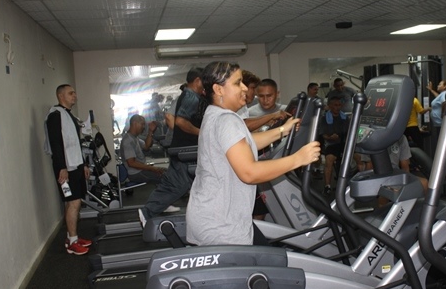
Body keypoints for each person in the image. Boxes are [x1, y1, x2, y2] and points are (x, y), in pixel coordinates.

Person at [185, 61, 320, 246]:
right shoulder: (227, 120)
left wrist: (282, 131)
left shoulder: (214, 114)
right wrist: (298, 159)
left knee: (268, 256)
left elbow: (245, 144)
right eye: (237, 83)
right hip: (222, 227)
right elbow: (249, 173)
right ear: (218, 89)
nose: (244, 88)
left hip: (213, 218)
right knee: (266, 261)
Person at [138, 68, 205, 223]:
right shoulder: (191, 97)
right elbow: (180, 121)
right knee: (179, 184)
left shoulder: (189, 96)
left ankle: (152, 209)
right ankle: (148, 212)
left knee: (177, 183)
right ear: (197, 81)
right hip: (185, 149)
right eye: (204, 81)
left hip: (184, 148)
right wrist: (202, 132)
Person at [44, 84, 92, 255]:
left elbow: (76, 143)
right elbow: (56, 144)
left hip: (75, 165)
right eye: (71, 93)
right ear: (60, 96)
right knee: (73, 203)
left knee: (74, 202)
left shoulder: (68, 115)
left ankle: (71, 237)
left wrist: (84, 164)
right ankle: (73, 242)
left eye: (74, 93)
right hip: (65, 168)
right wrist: (61, 168)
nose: (75, 96)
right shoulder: (55, 116)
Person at [120, 114, 166, 184]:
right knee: (166, 177)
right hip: (136, 173)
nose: (144, 127)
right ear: (135, 123)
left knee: (166, 172)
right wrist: (152, 168)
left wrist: (150, 131)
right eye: (142, 124)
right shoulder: (128, 140)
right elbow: (131, 163)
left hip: (141, 170)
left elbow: (146, 146)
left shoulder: (135, 138)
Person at [319, 95, 350, 195]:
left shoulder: (345, 118)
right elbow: (323, 135)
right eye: (335, 105)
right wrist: (330, 137)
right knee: (329, 160)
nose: (337, 107)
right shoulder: (324, 118)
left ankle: (351, 184)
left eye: (339, 105)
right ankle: (327, 186)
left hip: (344, 143)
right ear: (330, 106)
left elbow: (348, 132)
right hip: (331, 144)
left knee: (358, 157)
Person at [429, 80, 446, 154]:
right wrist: (431, 90)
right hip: (438, 124)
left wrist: (443, 114)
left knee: (442, 144)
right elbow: (438, 97)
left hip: (441, 123)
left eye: (440, 84)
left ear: (445, 86)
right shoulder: (442, 94)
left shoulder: (445, 93)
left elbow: (445, 103)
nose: (438, 85)